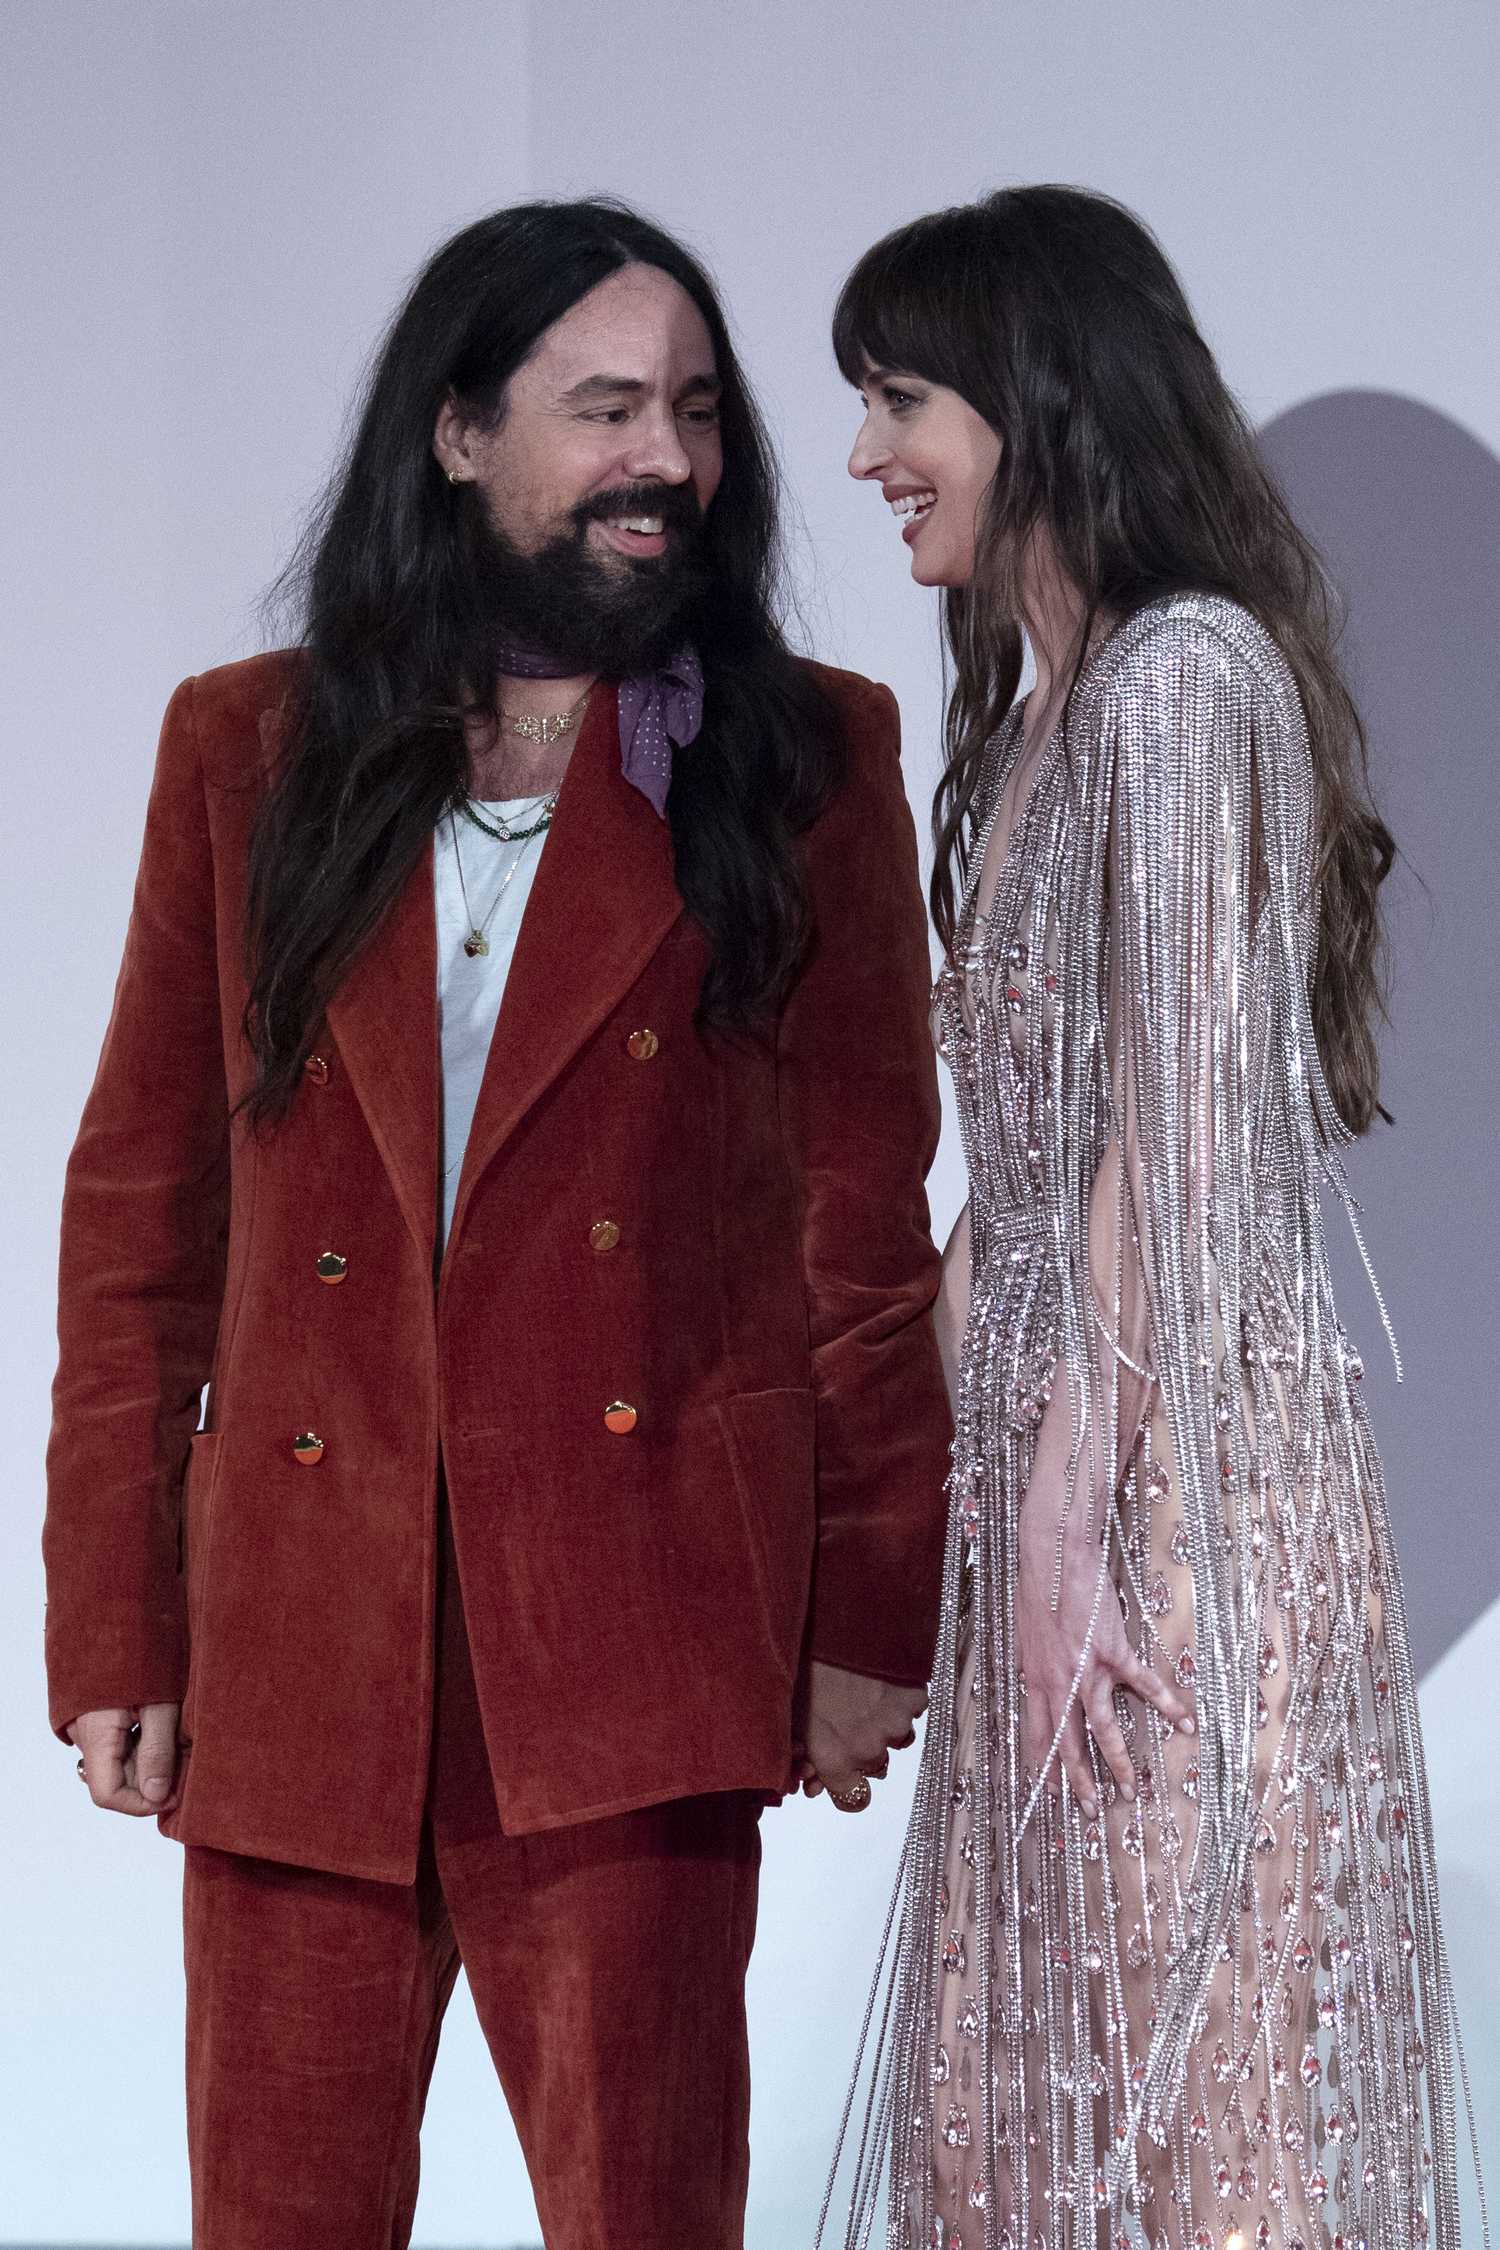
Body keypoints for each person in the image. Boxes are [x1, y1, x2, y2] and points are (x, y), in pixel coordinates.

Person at [43, 198, 952, 2250]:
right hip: (302, 1638)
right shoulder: (247, 745)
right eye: (607, 409)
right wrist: (117, 1613)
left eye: (696, 413)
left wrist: (866, 1612)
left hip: (638, 1639)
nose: (666, 459)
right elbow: (143, 1216)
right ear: (459, 434)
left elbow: (859, 1225)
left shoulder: (804, 753)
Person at [824, 185, 1474, 2250]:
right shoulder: (1042, 716)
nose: (868, 452)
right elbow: (1020, 1178)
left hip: (1163, 1498)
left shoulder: (1185, 682)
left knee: (1194, 2119)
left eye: (902, 398)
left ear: (1031, 399)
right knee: (1016, 2111)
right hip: (1050, 1483)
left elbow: (1172, 1145)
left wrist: (1075, 1506)